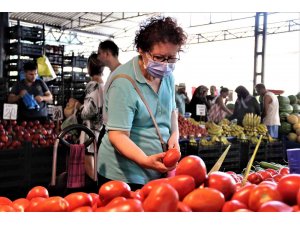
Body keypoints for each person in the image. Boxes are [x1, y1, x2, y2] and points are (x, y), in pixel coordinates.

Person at [97, 16, 187, 190]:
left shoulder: (167, 77)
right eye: (159, 58)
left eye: (172, 58)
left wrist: (174, 135)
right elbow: (118, 135)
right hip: (124, 173)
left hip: (155, 170)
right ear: (141, 50)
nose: (166, 65)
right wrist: (144, 161)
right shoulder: (123, 82)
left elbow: (171, 110)